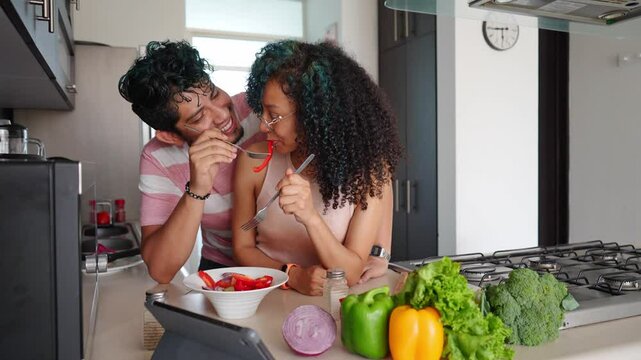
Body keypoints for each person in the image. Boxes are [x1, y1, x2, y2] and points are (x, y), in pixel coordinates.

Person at [232, 40, 402, 295]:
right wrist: (292, 275)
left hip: (336, 305)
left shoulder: (368, 174)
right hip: (268, 300)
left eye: (274, 115)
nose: (263, 127)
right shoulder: (253, 161)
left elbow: (351, 273)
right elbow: (243, 249)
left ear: (313, 115)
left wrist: (310, 217)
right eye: (262, 112)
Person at [118, 40, 264, 283]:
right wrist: (197, 189)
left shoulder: (260, 111)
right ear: (170, 136)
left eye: (214, 94)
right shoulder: (158, 158)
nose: (222, 115)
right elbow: (161, 270)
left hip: (293, 263)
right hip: (222, 270)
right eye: (198, 117)